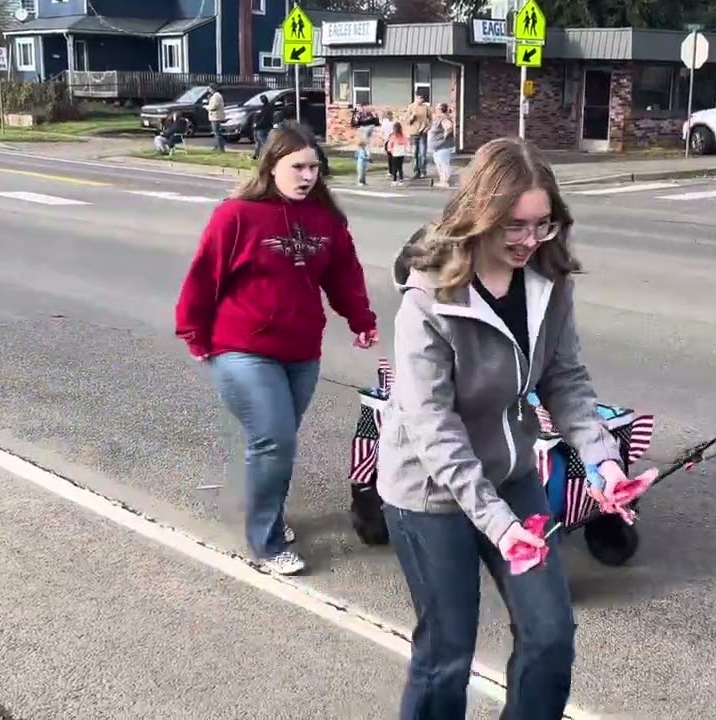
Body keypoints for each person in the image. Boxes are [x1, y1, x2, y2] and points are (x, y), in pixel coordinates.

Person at [377, 137, 646, 718]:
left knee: (550, 636)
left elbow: (566, 380)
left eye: (542, 225)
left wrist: (603, 463)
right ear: (482, 216)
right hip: (429, 491)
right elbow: (434, 428)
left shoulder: (548, 282)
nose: (529, 240)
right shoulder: (429, 298)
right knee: (447, 652)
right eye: (515, 226)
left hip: (511, 474)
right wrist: (500, 526)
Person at [174, 122, 379, 576]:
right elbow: (206, 274)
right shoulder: (237, 215)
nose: (307, 176)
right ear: (271, 165)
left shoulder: (327, 221)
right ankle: (264, 542)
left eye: (314, 167)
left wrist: (362, 320)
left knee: (278, 441)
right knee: (275, 438)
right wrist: (194, 332)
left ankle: (269, 515)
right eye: (298, 167)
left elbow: (344, 275)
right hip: (241, 347)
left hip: (301, 350)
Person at [427, 103, 457, 188]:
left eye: (437, 109)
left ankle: (445, 182)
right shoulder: (439, 119)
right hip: (438, 147)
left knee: (443, 164)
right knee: (439, 164)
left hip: (443, 146)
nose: (435, 110)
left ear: (440, 110)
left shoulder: (444, 119)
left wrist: (445, 135)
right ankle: (442, 180)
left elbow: (449, 127)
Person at [404, 93, 431, 179]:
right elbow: (407, 121)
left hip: (423, 132)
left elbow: (431, 119)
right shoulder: (411, 107)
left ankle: (423, 171)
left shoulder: (426, 107)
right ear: (415, 98)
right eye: (419, 98)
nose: (420, 100)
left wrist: (428, 128)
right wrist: (413, 116)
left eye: (422, 98)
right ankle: (416, 171)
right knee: (415, 153)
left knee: (423, 153)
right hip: (414, 133)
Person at [252, 94, 276, 160]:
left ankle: (269, 154)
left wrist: (258, 124)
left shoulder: (266, 108)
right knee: (259, 141)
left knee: (263, 141)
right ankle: (256, 155)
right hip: (262, 126)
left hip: (261, 127)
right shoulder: (266, 107)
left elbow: (264, 117)